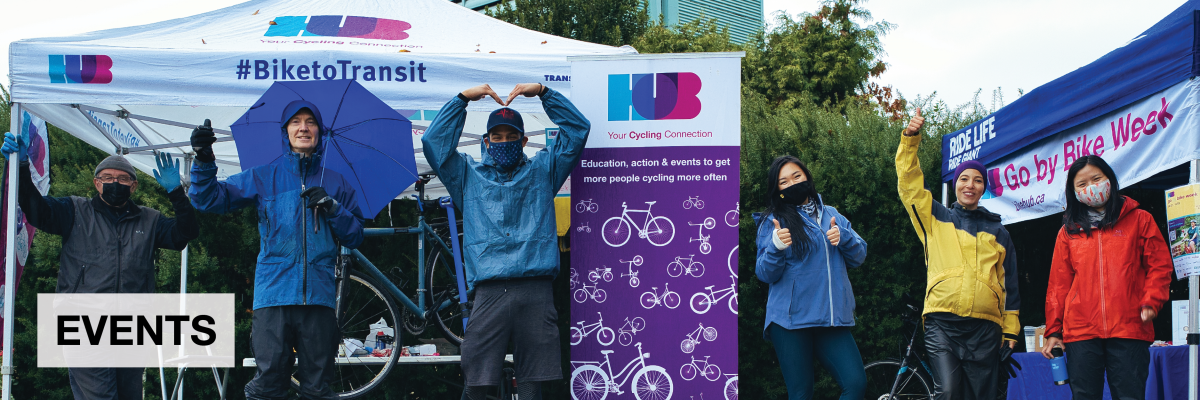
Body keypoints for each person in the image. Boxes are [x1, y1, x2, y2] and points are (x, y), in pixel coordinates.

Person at [421, 82, 589, 400]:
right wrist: (461, 101)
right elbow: (434, 143)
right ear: (486, 141)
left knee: (532, 384)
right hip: (489, 292)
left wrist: (542, 92)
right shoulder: (467, 176)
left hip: (535, 289)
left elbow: (578, 130)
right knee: (478, 382)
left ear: (524, 140)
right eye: (497, 136)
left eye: (511, 136)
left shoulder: (543, 170)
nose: (504, 141)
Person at [1, 131, 198, 399]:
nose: (115, 183)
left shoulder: (150, 221)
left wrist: (176, 193)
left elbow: (185, 233)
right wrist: (22, 166)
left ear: (134, 186)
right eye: (108, 178)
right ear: (96, 183)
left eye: (123, 179)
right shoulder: (74, 210)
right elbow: (35, 209)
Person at [188, 104, 365, 400]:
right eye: (295, 122)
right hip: (273, 296)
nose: (303, 127)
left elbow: (356, 235)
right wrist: (204, 159)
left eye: (311, 122)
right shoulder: (263, 177)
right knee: (268, 385)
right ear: (286, 133)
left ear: (320, 133)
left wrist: (333, 208)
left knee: (318, 388)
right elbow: (207, 199)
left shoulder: (337, 183)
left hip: (320, 299)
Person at [895, 109, 1021, 399]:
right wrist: (910, 140)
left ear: (983, 189)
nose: (970, 185)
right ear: (955, 185)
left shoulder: (1000, 233)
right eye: (964, 179)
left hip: (985, 329)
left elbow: (1010, 287)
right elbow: (909, 186)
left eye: (977, 180)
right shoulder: (934, 218)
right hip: (942, 323)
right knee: (948, 392)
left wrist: (1010, 333)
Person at [1041, 155, 1172, 400]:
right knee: (1084, 396)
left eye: (1096, 178)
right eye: (1081, 184)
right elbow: (1058, 286)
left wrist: (1152, 301)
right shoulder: (1067, 233)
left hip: (1130, 327)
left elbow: (1160, 266)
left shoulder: (1140, 220)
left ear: (1109, 179)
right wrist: (1053, 331)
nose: (1090, 187)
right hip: (1081, 332)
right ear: (1074, 191)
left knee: (1130, 396)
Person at [753, 155, 868, 400]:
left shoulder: (832, 214)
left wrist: (844, 238)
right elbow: (764, 273)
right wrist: (775, 246)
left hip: (831, 319)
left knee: (856, 384)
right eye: (784, 182)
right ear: (777, 188)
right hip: (790, 321)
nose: (792, 183)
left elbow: (859, 257)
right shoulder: (773, 221)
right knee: (801, 394)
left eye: (797, 176)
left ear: (807, 176)